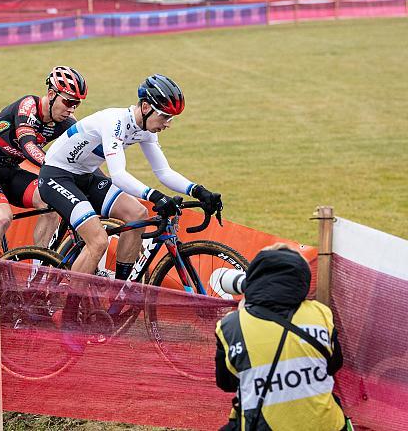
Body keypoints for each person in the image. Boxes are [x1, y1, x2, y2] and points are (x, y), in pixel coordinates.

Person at [38, 74, 222, 285]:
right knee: (98, 241)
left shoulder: (145, 130)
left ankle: (121, 289)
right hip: (57, 175)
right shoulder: (114, 122)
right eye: (164, 117)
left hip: (85, 175)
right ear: (145, 108)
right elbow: (118, 175)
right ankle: (69, 310)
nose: (168, 124)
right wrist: (156, 196)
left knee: (137, 215)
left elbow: (163, 171)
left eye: (172, 118)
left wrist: (198, 191)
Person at [215, 244, 348, 431]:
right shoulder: (321, 314)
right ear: (303, 279)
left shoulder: (231, 326)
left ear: (253, 279)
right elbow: (334, 364)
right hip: (329, 426)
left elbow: (226, 382)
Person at [0, 66, 88, 262]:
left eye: (76, 104)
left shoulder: (65, 120)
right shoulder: (28, 105)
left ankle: (36, 272)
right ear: (51, 94)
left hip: (11, 170)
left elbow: (85, 151)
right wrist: (55, 167)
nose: (71, 109)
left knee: (52, 202)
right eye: (68, 101)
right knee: (2, 218)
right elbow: (28, 145)